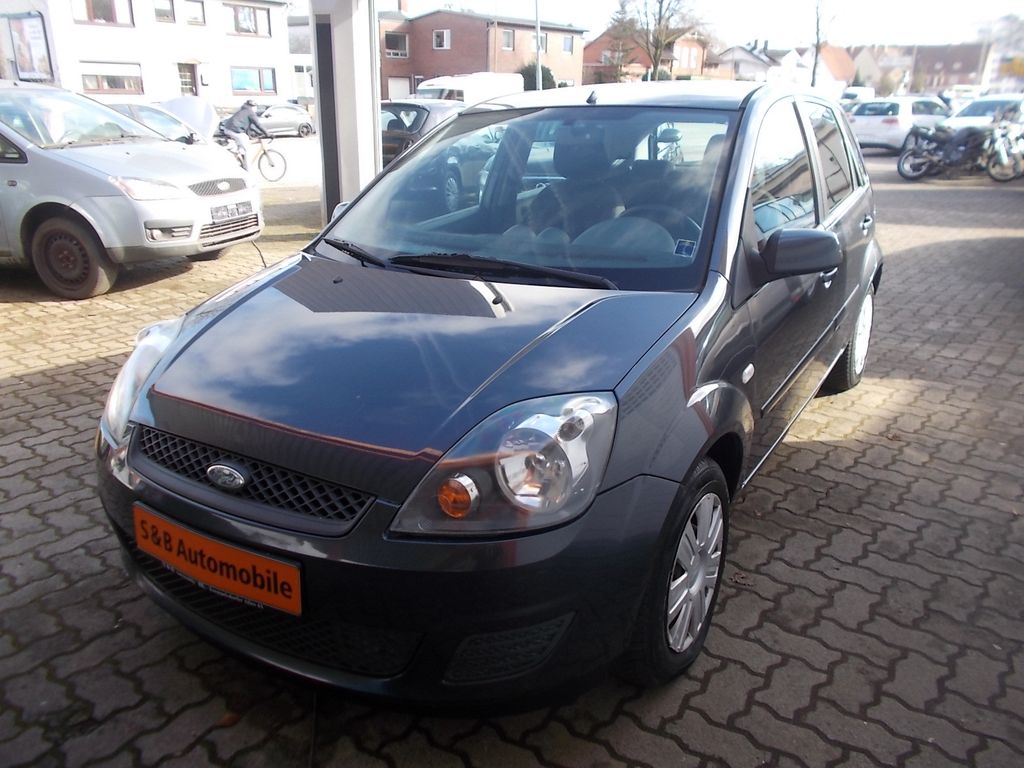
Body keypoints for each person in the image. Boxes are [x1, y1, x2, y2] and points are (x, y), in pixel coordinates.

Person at [223, 99, 269, 170]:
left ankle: (240, 153)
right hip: (234, 130)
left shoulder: (244, 109)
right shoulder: (250, 112)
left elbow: (250, 127)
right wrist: (267, 133)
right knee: (247, 148)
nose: (256, 108)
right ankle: (248, 169)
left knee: (244, 140)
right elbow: (258, 124)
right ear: (253, 106)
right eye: (255, 106)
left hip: (228, 129)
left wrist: (257, 133)